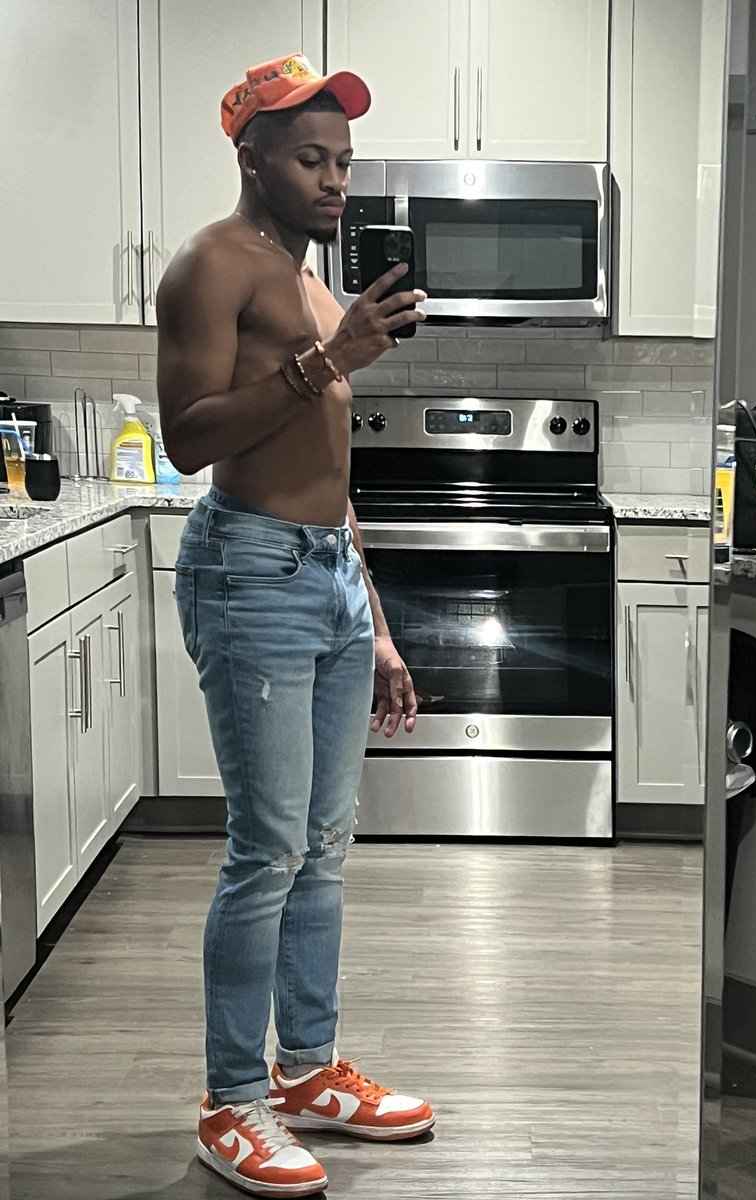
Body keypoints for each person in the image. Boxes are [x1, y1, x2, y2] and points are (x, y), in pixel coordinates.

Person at [155, 52, 434, 1198]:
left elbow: (331, 472)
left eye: (344, 162)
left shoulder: (314, 286)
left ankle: (310, 1071)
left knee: (323, 846)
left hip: (324, 576)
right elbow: (187, 437)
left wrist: (376, 622)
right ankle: (233, 1100)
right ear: (252, 157)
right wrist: (331, 360)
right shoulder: (211, 265)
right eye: (312, 158)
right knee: (267, 849)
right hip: (251, 570)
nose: (334, 181)